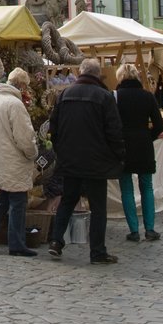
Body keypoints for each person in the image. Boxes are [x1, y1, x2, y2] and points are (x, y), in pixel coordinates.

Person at [46, 59, 125, 264]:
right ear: (97, 75)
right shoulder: (104, 97)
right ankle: (97, 251)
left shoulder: (65, 95)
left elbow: (53, 129)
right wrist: (118, 155)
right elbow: (114, 131)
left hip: (70, 160)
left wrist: (61, 151)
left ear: (80, 73)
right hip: (95, 163)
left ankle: (56, 241)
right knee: (98, 208)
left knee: (67, 201)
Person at [0, 67, 40, 257]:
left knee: (3, 198)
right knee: (18, 201)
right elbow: (24, 137)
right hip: (14, 159)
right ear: (21, 85)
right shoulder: (15, 104)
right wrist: (33, 153)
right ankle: (17, 244)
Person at [113, 63, 163, 242]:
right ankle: (150, 229)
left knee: (126, 189)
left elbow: (111, 124)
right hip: (143, 144)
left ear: (120, 77)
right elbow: (159, 125)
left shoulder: (116, 97)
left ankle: (133, 230)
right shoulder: (147, 96)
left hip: (123, 145)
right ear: (136, 76)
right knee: (147, 187)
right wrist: (147, 136)